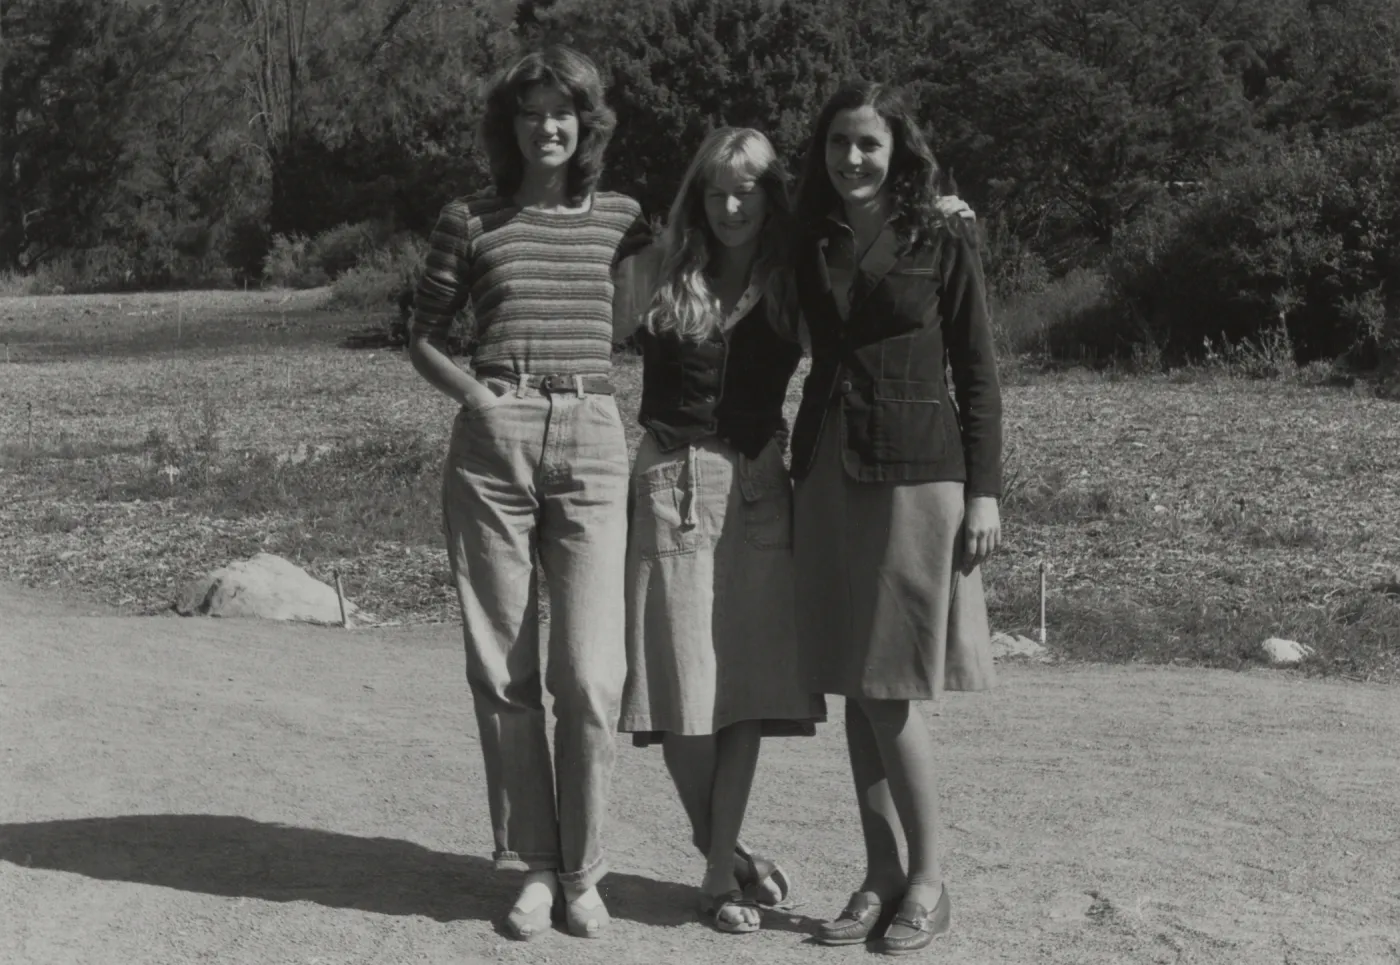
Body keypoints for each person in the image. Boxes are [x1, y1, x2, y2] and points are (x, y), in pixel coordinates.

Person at [408, 45, 648, 942]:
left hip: (593, 438)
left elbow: (714, 258)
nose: (548, 126)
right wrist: (479, 399)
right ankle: (535, 867)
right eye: (531, 111)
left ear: (587, 122)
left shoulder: (622, 218)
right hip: (493, 443)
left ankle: (586, 868)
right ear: (508, 124)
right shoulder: (469, 218)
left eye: (563, 111)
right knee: (503, 670)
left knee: (590, 673)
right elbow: (422, 334)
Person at [787, 82, 1002, 956]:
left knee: (889, 686)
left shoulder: (943, 236)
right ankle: (880, 873)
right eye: (839, 142)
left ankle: (928, 881)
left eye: (869, 143)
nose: (853, 158)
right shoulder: (810, 236)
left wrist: (986, 491)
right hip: (827, 468)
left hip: (917, 472)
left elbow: (977, 371)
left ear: (898, 150)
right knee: (855, 679)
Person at [612, 127, 826, 935]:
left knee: (740, 693)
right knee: (678, 692)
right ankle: (726, 852)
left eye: (747, 191)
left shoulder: (794, 280)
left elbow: (869, 300)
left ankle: (713, 877)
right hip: (670, 481)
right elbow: (586, 316)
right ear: (696, 195)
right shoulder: (659, 268)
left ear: (772, 197)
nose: (730, 206)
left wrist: (937, 220)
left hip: (759, 487)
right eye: (715, 190)